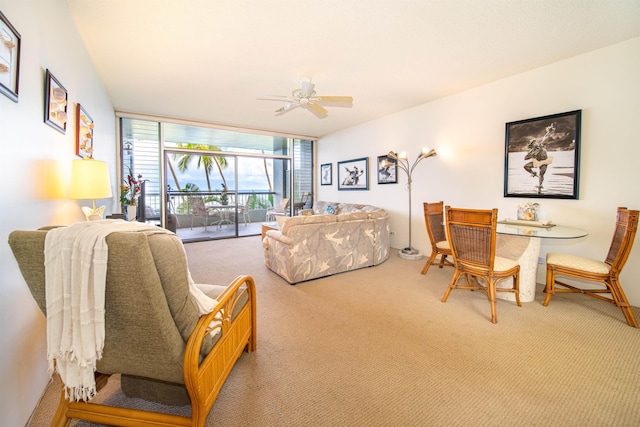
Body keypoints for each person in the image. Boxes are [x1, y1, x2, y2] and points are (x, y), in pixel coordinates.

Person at [523, 123, 554, 193]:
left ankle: (540, 186)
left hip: (544, 161)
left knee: (541, 173)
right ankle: (532, 173)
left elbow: (545, 137)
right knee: (525, 166)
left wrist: (549, 131)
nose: (536, 143)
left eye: (535, 142)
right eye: (534, 143)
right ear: (532, 145)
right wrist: (532, 155)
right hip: (537, 161)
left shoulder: (541, 145)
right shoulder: (532, 151)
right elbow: (525, 158)